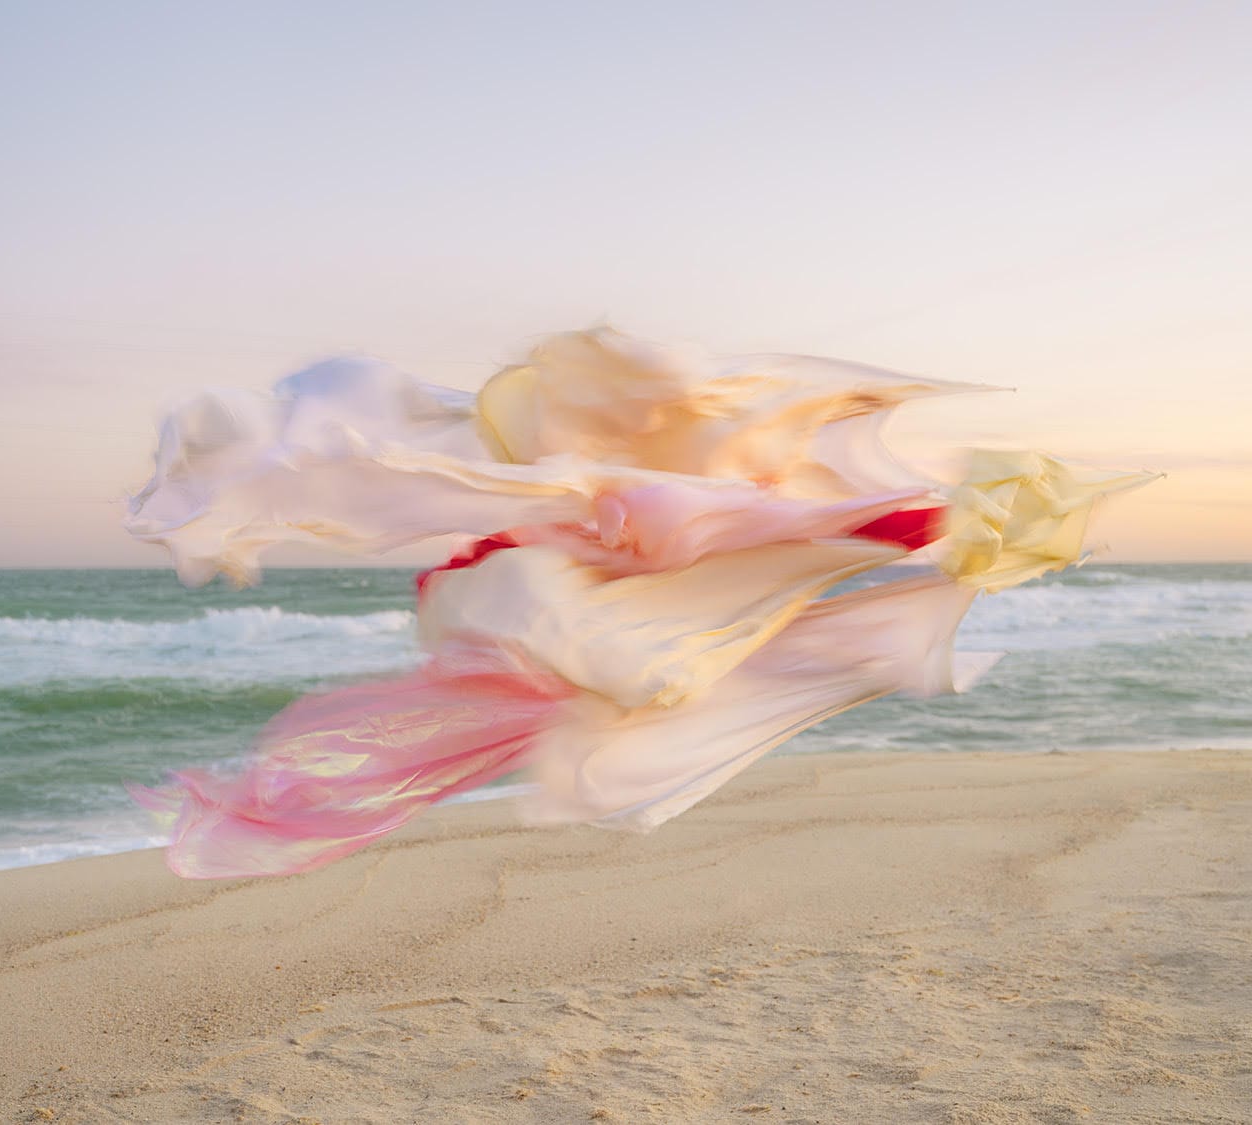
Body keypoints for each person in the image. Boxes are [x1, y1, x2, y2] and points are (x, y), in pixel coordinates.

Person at [126, 328, 1152, 878]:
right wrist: (931, 530)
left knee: (645, 666)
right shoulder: (599, 480)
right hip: (517, 586)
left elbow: (763, 525)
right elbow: (739, 520)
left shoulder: (629, 483)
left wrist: (932, 530)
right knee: (641, 666)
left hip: (517, 589)